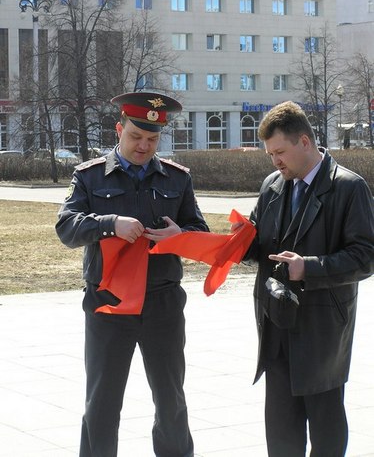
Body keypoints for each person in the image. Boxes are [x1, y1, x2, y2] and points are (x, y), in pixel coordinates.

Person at [55, 91, 209, 457]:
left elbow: (199, 232)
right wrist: (110, 224)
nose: (144, 146)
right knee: (102, 402)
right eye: (136, 137)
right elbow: (67, 228)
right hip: (109, 304)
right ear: (119, 129)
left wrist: (181, 235)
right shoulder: (90, 177)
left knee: (171, 399)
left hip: (163, 304)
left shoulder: (177, 179)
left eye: (152, 140)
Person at [240, 101, 374, 456]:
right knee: (281, 433)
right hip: (277, 325)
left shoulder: (349, 187)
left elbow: (366, 256)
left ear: (304, 141)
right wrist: (226, 244)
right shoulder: (272, 185)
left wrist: (308, 267)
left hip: (322, 330)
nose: (275, 162)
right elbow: (257, 243)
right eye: (270, 154)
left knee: (327, 433)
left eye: (280, 152)